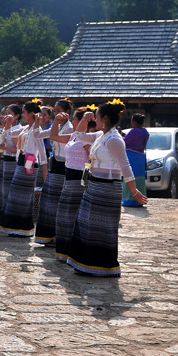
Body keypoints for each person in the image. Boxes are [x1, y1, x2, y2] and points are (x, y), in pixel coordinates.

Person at [67, 101, 148, 276]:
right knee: (86, 224)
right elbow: (78, 136)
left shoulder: (114, 140)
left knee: (102, 229)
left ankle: (104, 267)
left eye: (96, 116)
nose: (93, 119)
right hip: (94, 185)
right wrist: (84, 119)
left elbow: (126, 167)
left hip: (108, 188)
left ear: (104, 118)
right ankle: (86, 264)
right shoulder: (100, 135)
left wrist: (134, 192)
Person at [0, 101, 46, 237]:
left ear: (31, 114)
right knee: (16, 195)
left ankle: (23, 228)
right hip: (21, 161)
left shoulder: (35, 130)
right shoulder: (25, 129)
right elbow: (9, 134)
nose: (22, 115)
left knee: (23, 195)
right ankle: (17, 227)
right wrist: (8, 124)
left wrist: (44, 169)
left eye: (24, 112)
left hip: (30, 163)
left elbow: (42, 150)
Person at [55, 109, 94, 261]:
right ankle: (64, 251)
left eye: (76, 120)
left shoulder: (88, 138)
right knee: (64, 216)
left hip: (79, 180)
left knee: (72, 217)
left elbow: (92, 158)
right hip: (69, 179)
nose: (73, 122)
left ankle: (73, 252)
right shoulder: (74, 136)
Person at [34, 99, 74, 246]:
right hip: (54, 164)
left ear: (67, 113)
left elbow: (54, 138)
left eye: (58, 111)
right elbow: (37, 135)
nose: (56, 114)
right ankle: (48, 235)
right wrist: (37, 122)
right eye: (55, 111)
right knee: (49, 201)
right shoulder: (56, 127)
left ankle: (59, 235)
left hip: (63, 166)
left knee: (58, 202)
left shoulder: (68, 128)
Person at [0, 104, 22, 223]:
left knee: (8, 191)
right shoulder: (7, 128)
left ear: (17, 116)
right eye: (5, 113)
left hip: (13, 162)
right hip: (4, 161)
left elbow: (18, 149)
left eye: (9, 114)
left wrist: (2, 147)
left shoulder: (18, 129)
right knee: (1, 190)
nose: (6, 116)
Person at [122, 113, 149, 206]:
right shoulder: (145, 132)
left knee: (130, 177)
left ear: (134, 122)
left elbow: (125, 142)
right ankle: (139, 200)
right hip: (141, 157)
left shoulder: (134, 131)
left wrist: (121, 137)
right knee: (139, 178)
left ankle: (129, 200)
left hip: (132, 157)